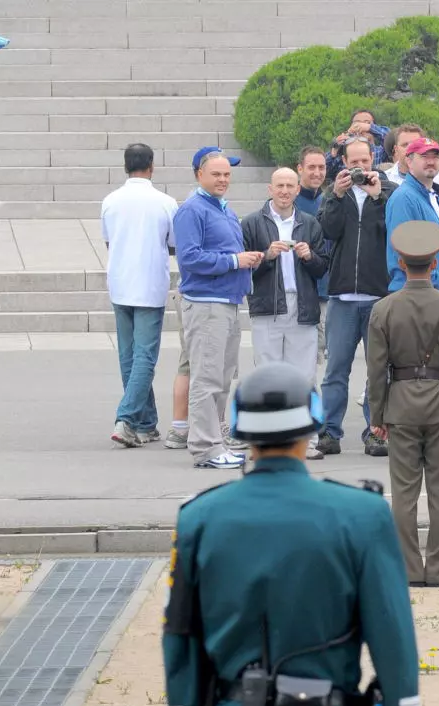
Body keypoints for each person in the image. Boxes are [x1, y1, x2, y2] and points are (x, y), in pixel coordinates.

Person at [163, 362, 419, 706]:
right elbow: (395, 647)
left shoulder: (199, 519)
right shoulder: (362, 515)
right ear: (312, 425)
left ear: (242, 431)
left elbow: (181, 649)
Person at [367, 221, 439, 587]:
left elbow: (376, 369)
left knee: (403, 493)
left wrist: (377, 415)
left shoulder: (383, 309)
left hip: (399, 404)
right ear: (434, 265)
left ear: (400, 262)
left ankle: (409, 568)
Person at [173, 147, 264, 470]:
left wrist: (245, 260)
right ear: (199, 174)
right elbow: (189, 259)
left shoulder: (222, 208)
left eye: (227, 174)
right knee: (206, 378)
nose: (223, 179)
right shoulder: (192, 210)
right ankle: (204, 447)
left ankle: (215, 442)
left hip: (227, 301)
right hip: (206, 302)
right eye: (216, 174)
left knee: (223, 378)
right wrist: (234, 261)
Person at [316, 137, 397, 457]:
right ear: (345, 162)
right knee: (336, 369)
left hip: (378, 296)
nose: (360, 167)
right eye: (355, 162)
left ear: (373, 160)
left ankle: (375, 431)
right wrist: (336, 194)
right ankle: (329, 432)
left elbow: (393, 230)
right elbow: (328, 231)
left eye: (365, 161)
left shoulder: (388, 191)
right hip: (342, 296)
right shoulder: (335, 192)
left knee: (378, 370)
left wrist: (377, 197)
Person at [242, 168, 329, 461]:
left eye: (290, 185)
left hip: (302, 306)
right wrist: (266, 256)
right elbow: (245, 268)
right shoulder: (253, 223)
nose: (284, 190)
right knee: (267, 374)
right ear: (270, 189)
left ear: (296, 189)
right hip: (267, 306)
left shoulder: (309, 223)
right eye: (279, 185)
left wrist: (309, 256)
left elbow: (322, 268)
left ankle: (308, 439)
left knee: (304, 376)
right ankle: (266, 440)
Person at [101, 143, 179, 448]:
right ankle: (128, 418)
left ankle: (146, 423)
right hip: (149, 284)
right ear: (152, 166)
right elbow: (173, 243)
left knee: (128, 356)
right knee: (145, 356)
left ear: (125, 166)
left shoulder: (110, 201)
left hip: (120, 283)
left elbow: (109, 241)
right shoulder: (165, 202)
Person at [384, 137, 439, 304]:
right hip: (419, 301)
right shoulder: (404, 198)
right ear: (409, 161)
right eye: (424, 156)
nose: (431, 161)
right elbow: (403, 252)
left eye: (435, 156)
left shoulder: (434, 197)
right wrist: (430, 292)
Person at [294, 146, 331, 363]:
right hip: (298, 289)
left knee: (315, 357)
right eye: (311, 167)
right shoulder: (289, 200)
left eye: (322, 167)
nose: (317, 172)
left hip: (324, 289)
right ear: (300, 169)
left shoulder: (328, 199)